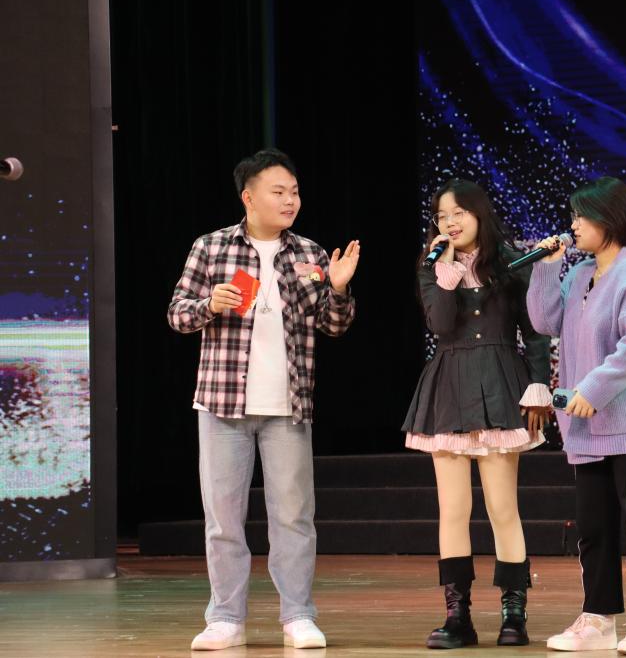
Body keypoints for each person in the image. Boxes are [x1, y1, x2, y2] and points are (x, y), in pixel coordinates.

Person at [168, 148, 359, 651]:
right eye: (279, 192)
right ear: (248, 197)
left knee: (294, 516)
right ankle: (225, 619)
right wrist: (209, 304)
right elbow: (177, 314)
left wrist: (339, 289)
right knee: (223, 518)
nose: (290, 200)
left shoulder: (310, 253)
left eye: (294, 191)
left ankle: (298, 615)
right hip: (222, 404)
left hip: (288, 406)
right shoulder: (212, 247)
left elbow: (334, 325)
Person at [528, 176, 626, 656]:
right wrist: (546, 269)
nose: (573, 225)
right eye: (573, 216)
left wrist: (593, 389)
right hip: (587, 430)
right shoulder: (578, 274)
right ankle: (598, 618)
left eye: (581, 216)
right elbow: (543, 321)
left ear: (608, 220)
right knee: (592, 529)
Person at [402, 178, 552, 648]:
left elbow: (536, 331)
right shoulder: (432, 267)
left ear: (478, 213)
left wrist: (539, 385)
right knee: (453, 509)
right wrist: (444, 268)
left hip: (502, 383)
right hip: (449, 387)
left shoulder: (512, 262)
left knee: (502, 507)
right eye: (441, 216)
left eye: (458, 213)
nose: (449, 222)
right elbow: (441, 323)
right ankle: (457, 616)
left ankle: (514, 614)